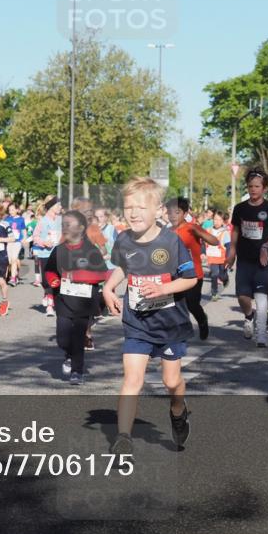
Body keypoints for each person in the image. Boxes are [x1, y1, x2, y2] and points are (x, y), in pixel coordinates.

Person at [102, 177, 197, 455]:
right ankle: (123, 438)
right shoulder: (123, 239)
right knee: (132, 379)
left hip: (170, 324)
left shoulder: (171, 241)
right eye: (128, 207)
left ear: (158, 211)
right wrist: (108, 287)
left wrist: (162, 288)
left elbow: (190, 278)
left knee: (171, 382)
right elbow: (123, 267)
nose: (134, 213)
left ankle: (178, 410)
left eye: (141, 207)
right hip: (137, 323)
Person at [45, 210, 109, 384]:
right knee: (63, 337)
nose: (65, 228)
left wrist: (78, 276)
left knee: (79, 336)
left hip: (84, 302)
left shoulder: (91, 250)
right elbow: (49, 270)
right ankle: (68, 353)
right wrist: (53, 280)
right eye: (63, 225)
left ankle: (77, 371)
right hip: (63, 300)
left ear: (80, 228)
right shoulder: (59, 250)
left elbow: (102, 274)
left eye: (69, 225)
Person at [225, 170, 268, 348]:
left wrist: (266, 246)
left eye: (257, 186)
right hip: (244, 259)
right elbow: (235, 231)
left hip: (263, 260)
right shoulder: (240, 208)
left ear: (264, 188)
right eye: (250, 186)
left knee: (261, 295)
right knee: (243, 296)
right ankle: (249, 316)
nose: (253, 189)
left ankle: (261, 334)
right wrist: (232, 252)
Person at [165, 197, 219, 340]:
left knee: (192, 305)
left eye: (177, 212)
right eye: (170, 213)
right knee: (175, 305)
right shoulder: (167, 231)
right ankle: (179, 333)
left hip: (193, 275)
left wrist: (201, 234)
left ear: (184, 213)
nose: (172, 216)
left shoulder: (192, 228)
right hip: (174, 276)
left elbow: (215, 241)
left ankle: (202, 320)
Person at [32, 198, 63, 311]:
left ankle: (51, 303)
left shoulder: (61, 220)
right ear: (51, 207)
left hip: (59, 253)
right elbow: (35, 237)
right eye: (58, 205)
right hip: (45, 254)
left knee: (58, 278)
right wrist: (44, 242)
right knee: (46, 280)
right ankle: (48, 294)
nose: (60, 207)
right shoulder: (43, 221)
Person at [205, 210, 231, 301]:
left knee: (222, 275)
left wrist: (228, 259)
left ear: (223, 221)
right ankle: (214, 293)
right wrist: (202, 252)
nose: (217, 222)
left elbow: (228, 246)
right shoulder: (208, 230)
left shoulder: (225, 232)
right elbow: (203, 243)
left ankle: (225, 279)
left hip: (222, 259)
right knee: (214, 274)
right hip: (212, 258)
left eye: (219, 220)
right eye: (215, 219)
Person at [4, 203, 27, 286]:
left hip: (17, 242)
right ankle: (13, 275)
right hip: (8, 242)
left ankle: (13, 278)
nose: (11, 211)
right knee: (9, 261)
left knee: (14, 259)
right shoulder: (6, 219)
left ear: (17, 210)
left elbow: (23, 230)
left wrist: (24, 238)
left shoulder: (21, 219)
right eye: (9, 210)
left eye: (13, 210)